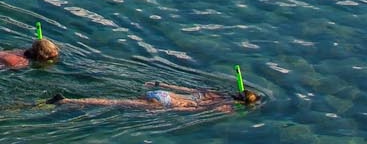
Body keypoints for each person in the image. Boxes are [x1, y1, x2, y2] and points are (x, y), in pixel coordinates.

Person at [47, 84, 260, 112]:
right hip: (164, 103)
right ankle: (66, 101)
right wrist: (168, 110)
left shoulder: (217, 93)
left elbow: (186, 88)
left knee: (119, 99)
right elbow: (191, 109)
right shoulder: (223, 106)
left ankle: (73, 102)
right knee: (114, 103)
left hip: (162, 94)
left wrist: (161, 85)